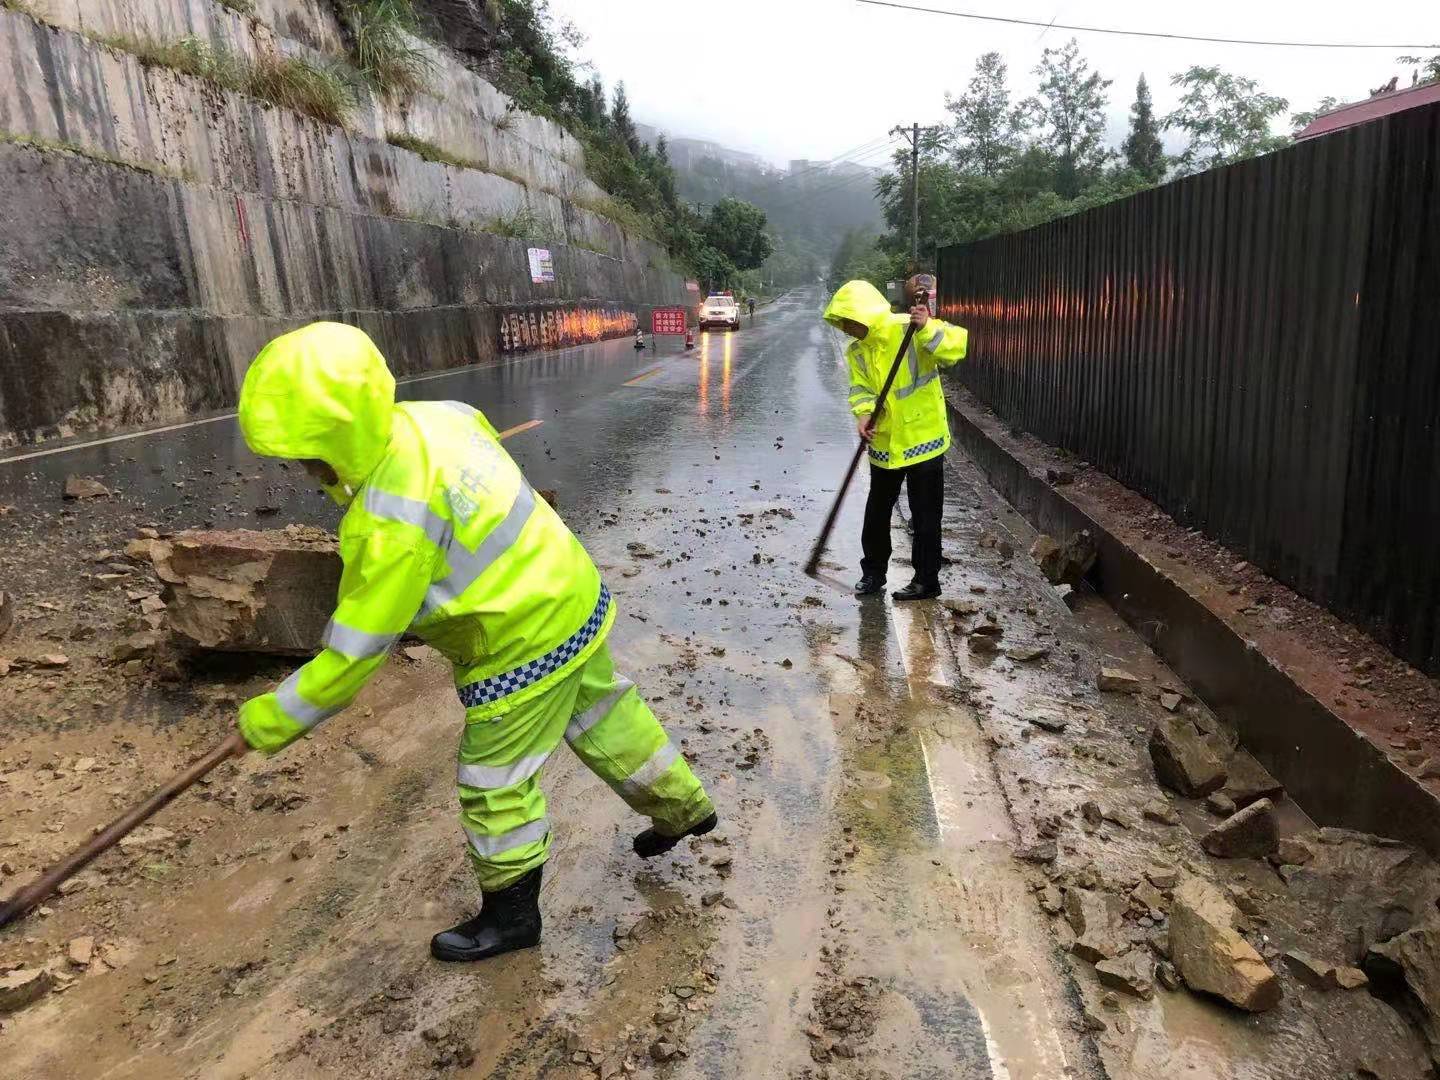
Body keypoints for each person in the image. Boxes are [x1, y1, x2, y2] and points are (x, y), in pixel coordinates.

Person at [223, 322, 717, 962]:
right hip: (571, 593)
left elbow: (354, 653)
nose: (299, 469)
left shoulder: (388, 522)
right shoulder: (436, 418)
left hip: (521, 641)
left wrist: (266, 721)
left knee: (493, 779)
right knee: (602, 712)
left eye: (305, 454)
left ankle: (511, 918)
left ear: (339, 441)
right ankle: (684, 807)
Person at [822, 277, 968, 601]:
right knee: (876, 513)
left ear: (864, 315)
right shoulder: (857, 350)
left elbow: (956, 347)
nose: (846, 328)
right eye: (842, 323)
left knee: (926, 517)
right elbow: (860, 389)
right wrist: (862, 415)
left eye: (849, 321)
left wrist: (928, 327)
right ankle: (873, 573)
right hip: (885, 442)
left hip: (923, 438)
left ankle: (927, 581)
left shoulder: (909, 328)